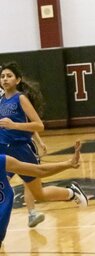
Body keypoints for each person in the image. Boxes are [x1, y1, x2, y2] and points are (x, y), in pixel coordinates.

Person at [0, 61, 88, 237]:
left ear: (18, 80)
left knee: (39, 193)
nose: (5, 79)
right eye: (2, 76)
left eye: (9, 76)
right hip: (4, 150)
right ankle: (24, 217)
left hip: (22, 149)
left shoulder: (21, 99)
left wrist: (15, 126)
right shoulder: (1, 100)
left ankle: (71, 192)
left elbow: (38, 125)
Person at [24, 132, 47, 228]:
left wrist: (40, 142)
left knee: (29, 182)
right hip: (5, 147)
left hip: (25, 147)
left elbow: (32, 127)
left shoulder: (23, 116)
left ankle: (32, 213)